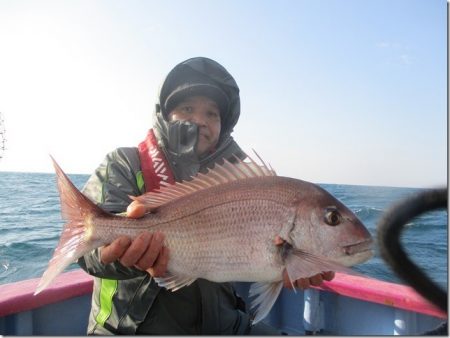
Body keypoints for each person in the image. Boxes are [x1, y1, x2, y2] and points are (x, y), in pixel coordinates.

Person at [78, 56, 335, 335]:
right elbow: (88, 253)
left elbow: (254, 254)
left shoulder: (243, 181)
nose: (200, 120)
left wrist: (287, 265)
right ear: (165, 115)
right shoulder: (125, 163)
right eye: (188, 108)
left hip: (223, 325)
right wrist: (117, 254)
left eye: (212, 113)